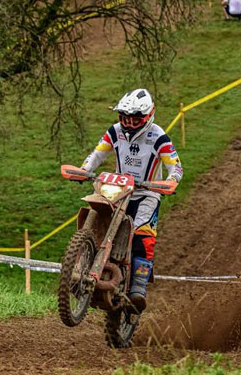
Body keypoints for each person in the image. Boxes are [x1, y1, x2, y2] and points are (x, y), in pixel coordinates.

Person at [78, 88, 183, 311]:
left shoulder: (158, 136)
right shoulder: (115, 131)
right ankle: (80, 265)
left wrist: (171, 180)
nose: (130, 123)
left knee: (142, 237)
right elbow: (97, 153)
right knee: (98, 218)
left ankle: (138, 288)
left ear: (148, 115)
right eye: (125, 118)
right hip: (119, 189)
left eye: (135, 119)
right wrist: (84, 170)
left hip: (147, 193)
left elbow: (175, 166)